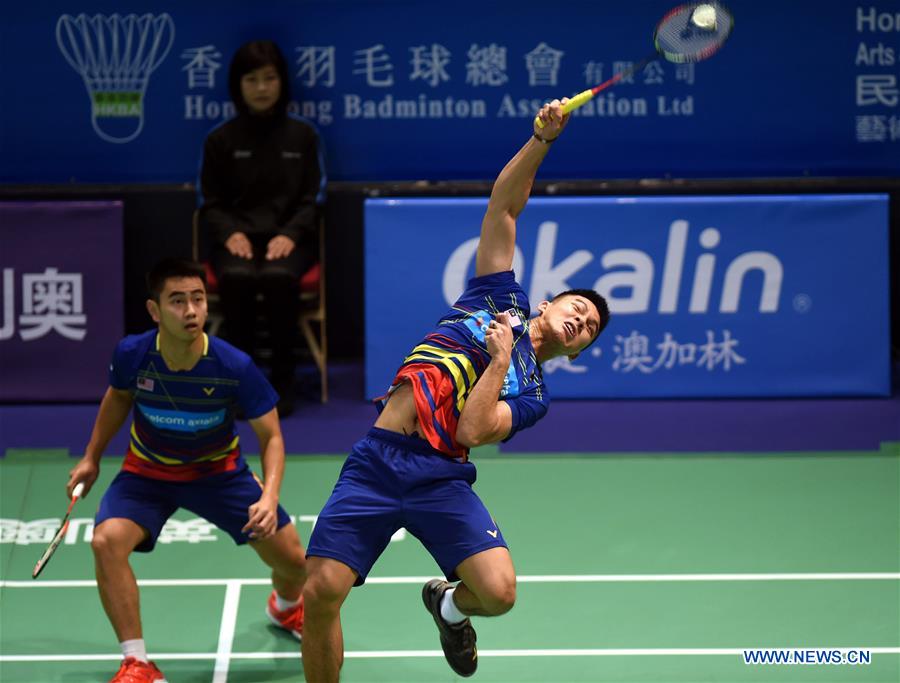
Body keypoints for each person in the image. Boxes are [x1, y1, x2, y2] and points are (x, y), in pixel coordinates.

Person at [300, 100, 610, 681]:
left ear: (577, 352)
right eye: (578, 308)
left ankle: (447, 605)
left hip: (440, 476)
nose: (581, 321)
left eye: (589, 328)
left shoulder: (533, 394)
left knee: (499, 593)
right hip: (380, 459)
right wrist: (541, 140)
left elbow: (472, 429)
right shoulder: (496, 295)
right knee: (319, 593)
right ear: (548, 302)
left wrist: (500, 361)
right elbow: (504, 207)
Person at [66, 259, 308, 683]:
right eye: (177, 301)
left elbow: (271, 436)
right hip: (147, 474)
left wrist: (269, 496)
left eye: (198, 299)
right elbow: (118, 398)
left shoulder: (233, 365)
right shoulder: (133, 354)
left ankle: (286, 607)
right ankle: (136, 661)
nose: (191, 310)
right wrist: (91, 457)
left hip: (219, 474)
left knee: (295, 563)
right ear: (155, 310)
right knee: (105, 541)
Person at [198, 39, 325, 416]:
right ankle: (241, 385)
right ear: (238, 85)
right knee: (236, 278)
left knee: (277, 278)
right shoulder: (219, 139)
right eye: (251, 79)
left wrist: (290, 234)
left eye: (269, 78)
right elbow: (209, 201)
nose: (262, 87)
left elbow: (314, 197)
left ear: (282, 82)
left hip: (290, 241)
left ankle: (282, 384)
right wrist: (229, 233)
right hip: (234, 242)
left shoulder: (304, 136)